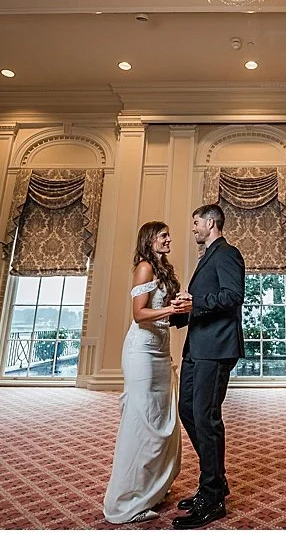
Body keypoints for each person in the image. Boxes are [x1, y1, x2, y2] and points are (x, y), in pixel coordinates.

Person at [101, 221, 188, 524]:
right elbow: (139, 314)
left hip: (161, 353)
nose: (169, 239)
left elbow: (163, 310)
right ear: (150, 240)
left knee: (163, 420)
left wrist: (181, 305)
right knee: (142, 421)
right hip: (141, 353)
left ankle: (152, 489)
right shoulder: (144, 267)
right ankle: (125, 502)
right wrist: (172, 311)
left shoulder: (164, 269)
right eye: (164, 235)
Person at [170, 203, 245, 529]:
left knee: (206, 417)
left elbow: (233, 296)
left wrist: (195, 303)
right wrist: (179, 313)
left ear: (212, 223)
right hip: (196, 348)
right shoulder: (207, 258)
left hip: (215, 349)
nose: (194, 229)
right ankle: (215, 479)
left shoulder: (227, 253)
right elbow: (202, 303)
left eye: (196, 222)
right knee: (187, 409)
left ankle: (212, 496)